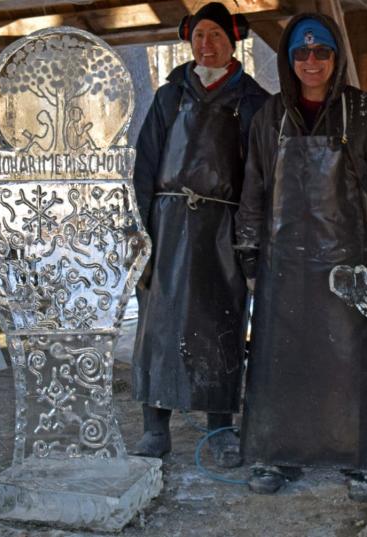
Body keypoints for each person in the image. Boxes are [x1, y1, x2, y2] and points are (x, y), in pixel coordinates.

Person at [235, 13, 367, 499]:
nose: (312, 62)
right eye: (302, 54)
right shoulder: (270, 117)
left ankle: (364, 458)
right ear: (290, 60)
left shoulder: (365, 114)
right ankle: (278, 453)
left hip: (349, 262)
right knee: (280, 359)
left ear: (336, 58)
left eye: (322, 53)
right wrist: (249, 251)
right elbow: (255, 189)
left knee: (354, 361)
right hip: (283, 262)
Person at [131, 2, 268, 467]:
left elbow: (259, 174)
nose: (206, 45)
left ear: (233, 42)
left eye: (216, 36)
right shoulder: (170, 96)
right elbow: (145, 164)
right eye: (199, 36)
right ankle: (155, 429)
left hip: (223, 229)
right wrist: (141, 233)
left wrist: (251, 238)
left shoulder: (253, 102)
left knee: (221, 324)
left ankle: (222, 428)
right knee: (158, 323)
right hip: (167, 224)